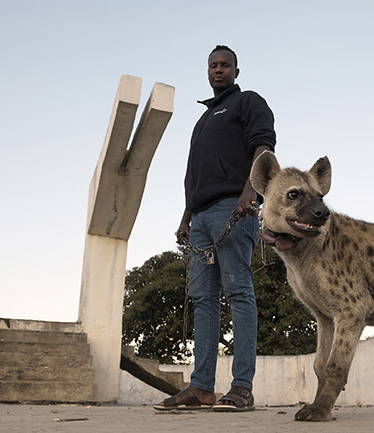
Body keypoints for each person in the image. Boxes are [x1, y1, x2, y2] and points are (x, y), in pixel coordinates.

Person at [154, 45, 276, 412]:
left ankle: (242, 387)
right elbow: (194, 175)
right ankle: (201, 387)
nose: (218, 70)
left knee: (239, 293)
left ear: (236, 71)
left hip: (233, 208)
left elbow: (264, 148)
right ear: (207, 72)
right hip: (201, 218)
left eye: (225, 65)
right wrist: (185, 217)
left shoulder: (247, 102)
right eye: (213, 65)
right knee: (203, 300)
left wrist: (249, 193)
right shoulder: (203, 121)